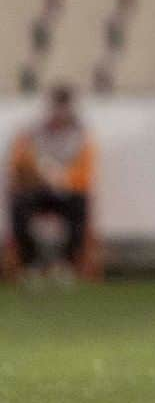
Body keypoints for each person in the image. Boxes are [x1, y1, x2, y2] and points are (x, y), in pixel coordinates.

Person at [6, 83, 96, 284]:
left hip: (68, 190)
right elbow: (18, 163)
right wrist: (38, 174)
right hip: (37, 188)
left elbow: (85, 170)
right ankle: (31, 265)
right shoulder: (33, 131)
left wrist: (63, 178)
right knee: (19, 205)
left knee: (80, 206)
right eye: (56, 105)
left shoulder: (80, 133)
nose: (60, 111)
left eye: (64, 105)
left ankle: (67, 264)